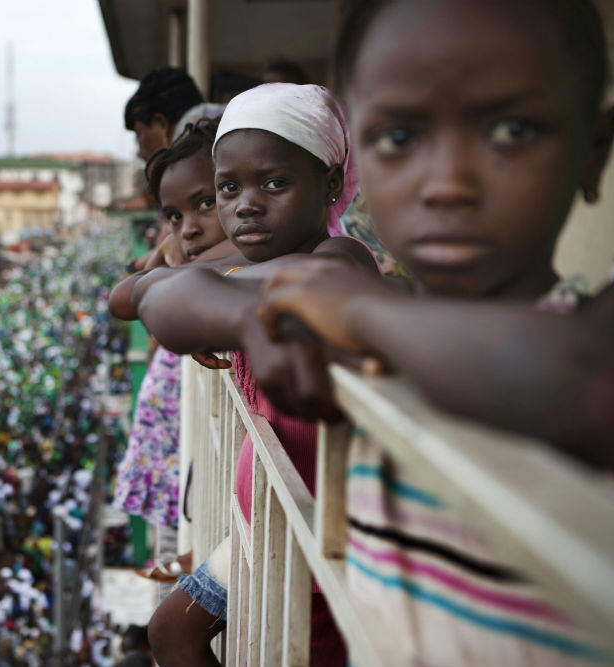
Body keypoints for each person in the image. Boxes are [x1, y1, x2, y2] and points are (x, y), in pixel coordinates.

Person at [252, 0, 614, 663]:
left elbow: (583, 376)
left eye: (511, 129)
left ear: (594, 152)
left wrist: (360, 311)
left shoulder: (584, 339)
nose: (448, 184)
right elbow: (166, 298)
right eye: (397, 138)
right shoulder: (376, 328)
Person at [133, 83, 377, 667]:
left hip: (313, 547)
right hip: (264, 527)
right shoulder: (252, 264)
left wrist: (211, 304)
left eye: (273, 184)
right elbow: (138, 297)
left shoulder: (342, 258)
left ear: (329, 184)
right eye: (229, 188)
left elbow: (169, 297)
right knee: (170, 631)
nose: (246, 205)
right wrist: (208, 299)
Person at [109, 120, 235, 595]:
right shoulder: (205, 261)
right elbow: (120, 299)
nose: (191, 229)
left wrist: (175, 281)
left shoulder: (272, 264)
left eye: (207, 202)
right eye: (175, 218)